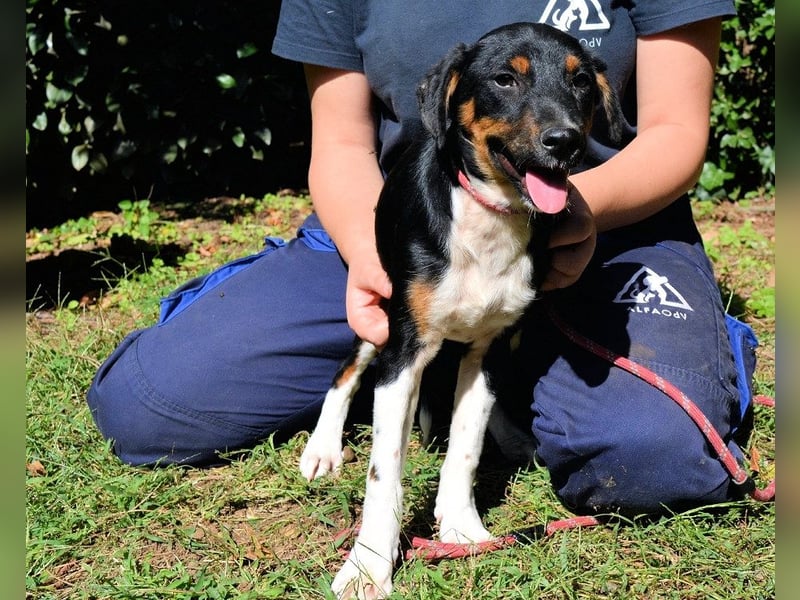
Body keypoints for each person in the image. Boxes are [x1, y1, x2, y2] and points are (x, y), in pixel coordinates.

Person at [87, 0, 759, 515]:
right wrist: (373, 262)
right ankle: (438, 366)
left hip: (605, 230)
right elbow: (342, 145)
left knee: (655, 455)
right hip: (404, 223)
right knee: (148, 405)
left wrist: (580, 211)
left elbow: (677, 130)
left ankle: (625, 353)